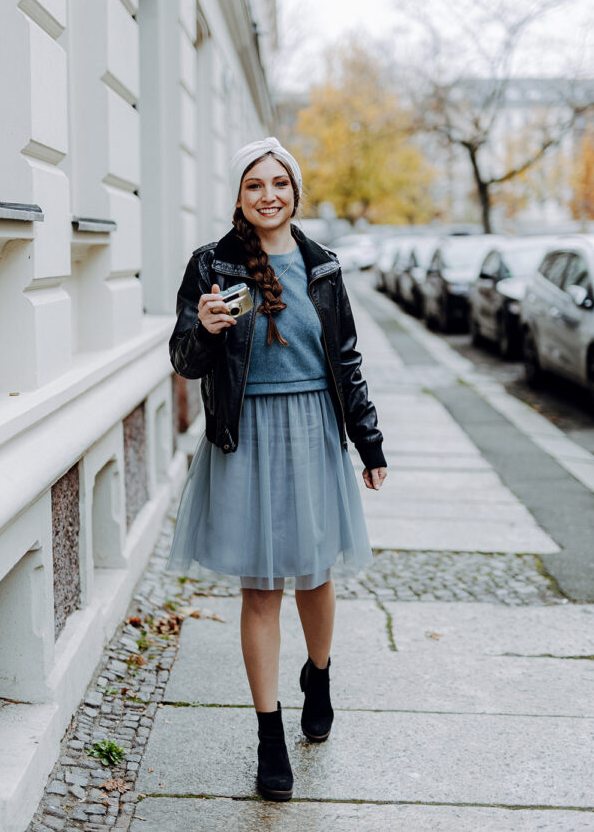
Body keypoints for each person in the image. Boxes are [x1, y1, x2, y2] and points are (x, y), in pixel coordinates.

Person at [167, 136, 387, 801]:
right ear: (239, 195)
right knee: (261, 588)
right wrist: (201, 330)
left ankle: (318, 672)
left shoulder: (323, 268)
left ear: (296, 192)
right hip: (246, 436)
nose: (269, 194)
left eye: (280, 183)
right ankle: (269, 736)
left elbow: (345, 360)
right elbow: (185, 359)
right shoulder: (212, 263)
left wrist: (369, 443)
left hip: (314, 428)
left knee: (315, 574)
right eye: (255, 184)